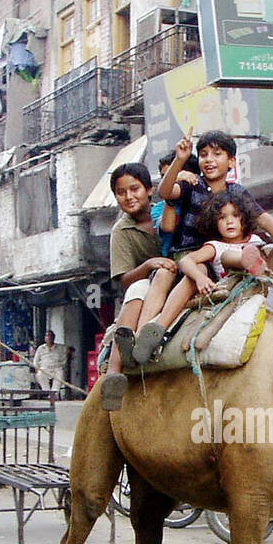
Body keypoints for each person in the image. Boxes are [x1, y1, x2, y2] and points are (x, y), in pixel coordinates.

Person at [132, 129, 273, 364]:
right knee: (194, 273)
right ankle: (153, 332)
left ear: (231, 161)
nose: (209, 159)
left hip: (218, 255)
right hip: (191, 255)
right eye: (203, 154)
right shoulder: (191, 185)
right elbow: (165, 192)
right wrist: (180, 160)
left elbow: (263, 218)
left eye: (217, 154)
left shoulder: (237, 193)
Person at [133, 189, 266, 366]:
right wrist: (199, 278)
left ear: (245, 218)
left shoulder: (256, 240)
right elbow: (186, 260)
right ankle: (156, 332)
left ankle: (249, 259)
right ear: (214, 222)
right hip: (234, 291)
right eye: (222, 217)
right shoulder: (215, 246)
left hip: (260, 288)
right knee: (228, 257)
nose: (229, 222)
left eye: (235, 216)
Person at [98, 162, 177, 410]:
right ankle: (114, 371)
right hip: (144, 288)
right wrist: (149, 265)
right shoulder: (121, 231)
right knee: (136, 290)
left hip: (181, 279)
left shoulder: (167, 211)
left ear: (149, 190)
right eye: (122, 193)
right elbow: (125, 279)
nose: (129, 197)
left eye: (135, 189)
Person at [33, 330, 68, 394]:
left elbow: (64, 360)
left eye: (51, 336)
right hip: (44, 368)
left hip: (56, 368)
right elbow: (35, 360)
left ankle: (54, 394)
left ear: (54, 338)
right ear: (45, 338)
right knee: (40, 375)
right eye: (47, 336)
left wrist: (60, 366)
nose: (49, 337)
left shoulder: (59, 348)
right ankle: (48, 393)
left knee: (60, 374)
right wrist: (37, 368)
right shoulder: (41, 348)